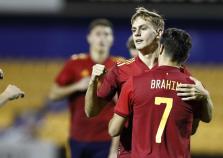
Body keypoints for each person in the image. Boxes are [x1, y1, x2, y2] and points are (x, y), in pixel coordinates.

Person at [85, 7, 213, 158]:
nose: (136, 34)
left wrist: (205, 97)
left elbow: (191, 125)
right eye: (134, 29)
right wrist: (93, 82)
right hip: (129, 153)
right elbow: (91, 112)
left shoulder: (180, 73)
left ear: (159, 33)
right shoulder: (120, 70)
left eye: (143, 28)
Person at [48, 19, 123, 158]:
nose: (102, 38)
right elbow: (53, 94)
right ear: (89, 37)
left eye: (106, 34)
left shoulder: (120, 66)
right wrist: (76, 86)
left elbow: (127, 105)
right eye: (98, 34)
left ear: (112, 39)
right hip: (78, 137)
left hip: (106, 139)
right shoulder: (75, 63)